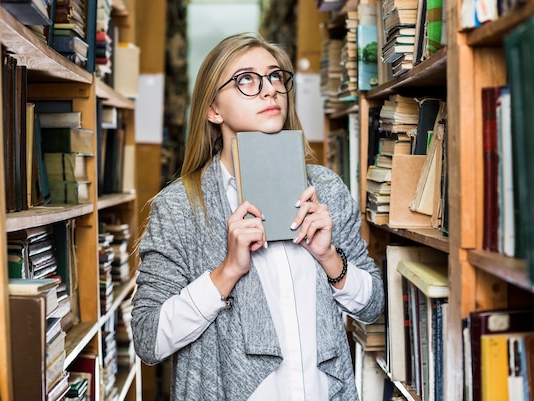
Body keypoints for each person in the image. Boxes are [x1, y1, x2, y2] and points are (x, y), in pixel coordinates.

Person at [131, 32, 384, 401]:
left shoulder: (326, 188)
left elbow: (374, 307)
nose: (269, 90)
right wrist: (227, 271)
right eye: (245, 79)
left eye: (276, 76)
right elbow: (147, 339)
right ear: (213, 109)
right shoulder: (179, 207)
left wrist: (331, 260)